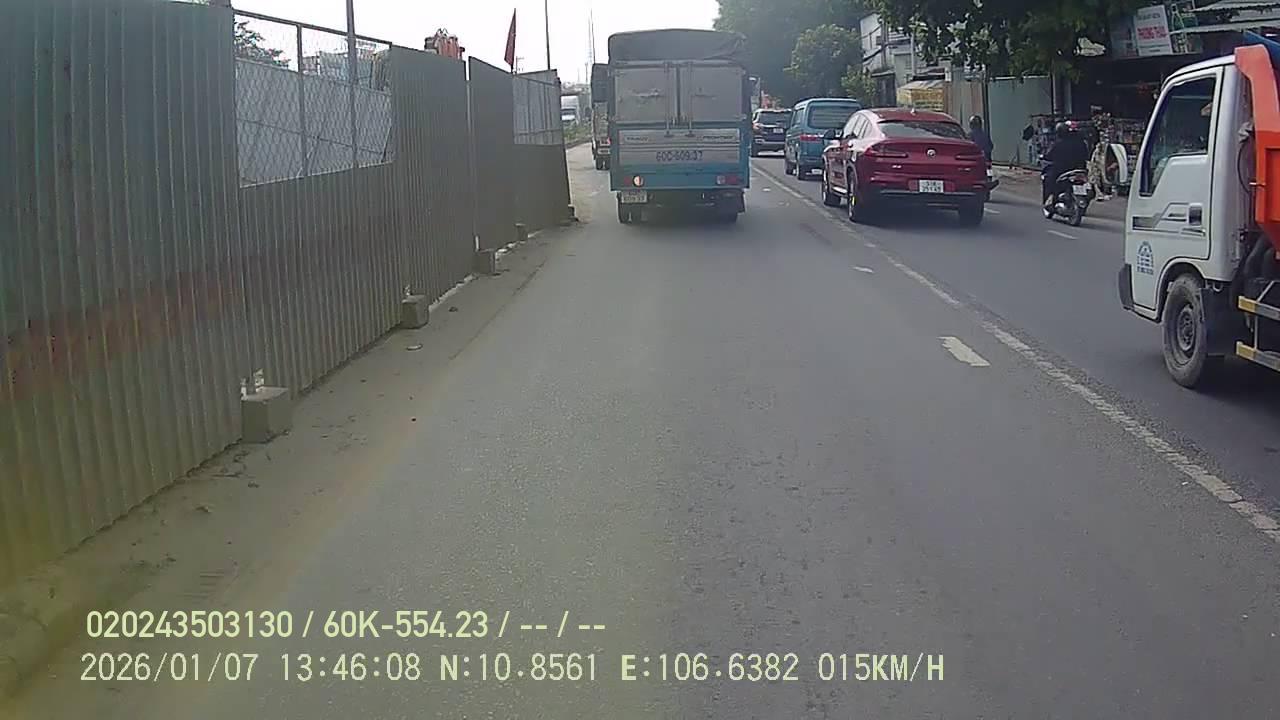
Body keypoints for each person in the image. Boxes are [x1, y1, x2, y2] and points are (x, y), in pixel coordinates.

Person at [1041, 122, 1089, 208]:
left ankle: (1050, 202)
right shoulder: (1082, 143)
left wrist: (1044, 157)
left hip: (1062, 169)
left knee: (1048, 179)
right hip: (1080, 169)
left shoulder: (1059, 143)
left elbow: (1049, 156)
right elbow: (1086, 155)